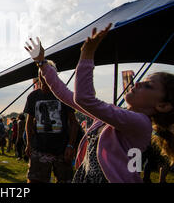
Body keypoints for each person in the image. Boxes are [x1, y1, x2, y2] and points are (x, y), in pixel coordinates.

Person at [25, 23, 174, 183]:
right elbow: (67, 96)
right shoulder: (113, 116)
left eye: (148, 85)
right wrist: (42, 63)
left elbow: (84, 98)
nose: (137, 83)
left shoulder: (140, 123)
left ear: (163, 106)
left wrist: (87, 53)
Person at [24, 73, 79, 183]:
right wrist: (29, 143)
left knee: (65, 179)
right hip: (40, 148)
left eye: (47, 73)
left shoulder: (63, 95)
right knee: (35, 180)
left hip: (62, 149)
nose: (45, 77)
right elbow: (29, 122)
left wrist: (70, 145)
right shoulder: (33, 96)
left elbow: (74, 123)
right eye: (42, 74)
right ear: (39, 76)